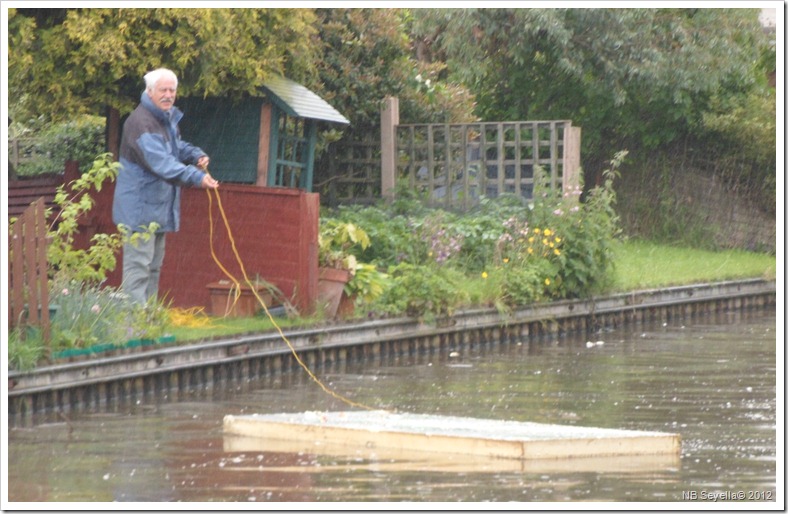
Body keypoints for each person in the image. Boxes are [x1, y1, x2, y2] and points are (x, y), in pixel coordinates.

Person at [113, 68, 219, 305]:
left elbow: (175, 147)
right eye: (163, 90)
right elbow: (161, 163)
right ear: (149, 92)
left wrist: (195, 154)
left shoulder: (165, 118)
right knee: (138, 271)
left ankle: (148, 325)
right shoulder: (141, 123)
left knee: (153, 269)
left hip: (157, 209)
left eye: (172, 90)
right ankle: (132, 330)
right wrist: (196, 177)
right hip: (139, 210)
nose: (169, 95)